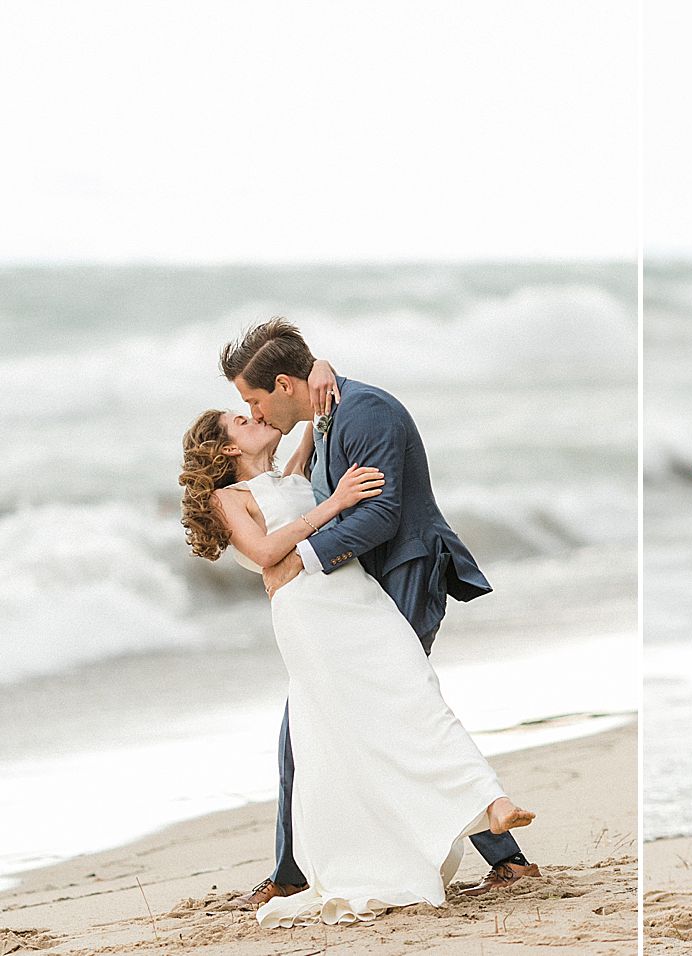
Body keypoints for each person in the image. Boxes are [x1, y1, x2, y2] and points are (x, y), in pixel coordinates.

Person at [178, 319, 538, 926]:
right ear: (228, 449)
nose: (254, 411)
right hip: (323, 608)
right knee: (337, 726)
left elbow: (368, 503)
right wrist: (328, 498)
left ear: (285, 384)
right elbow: (279, 533)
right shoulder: (253, 484)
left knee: (396, 708)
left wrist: (323, 373)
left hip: (381, 579)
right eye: (243, 412)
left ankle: (494, 844)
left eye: (252, 400)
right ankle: (296, 871)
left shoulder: (335, 433)